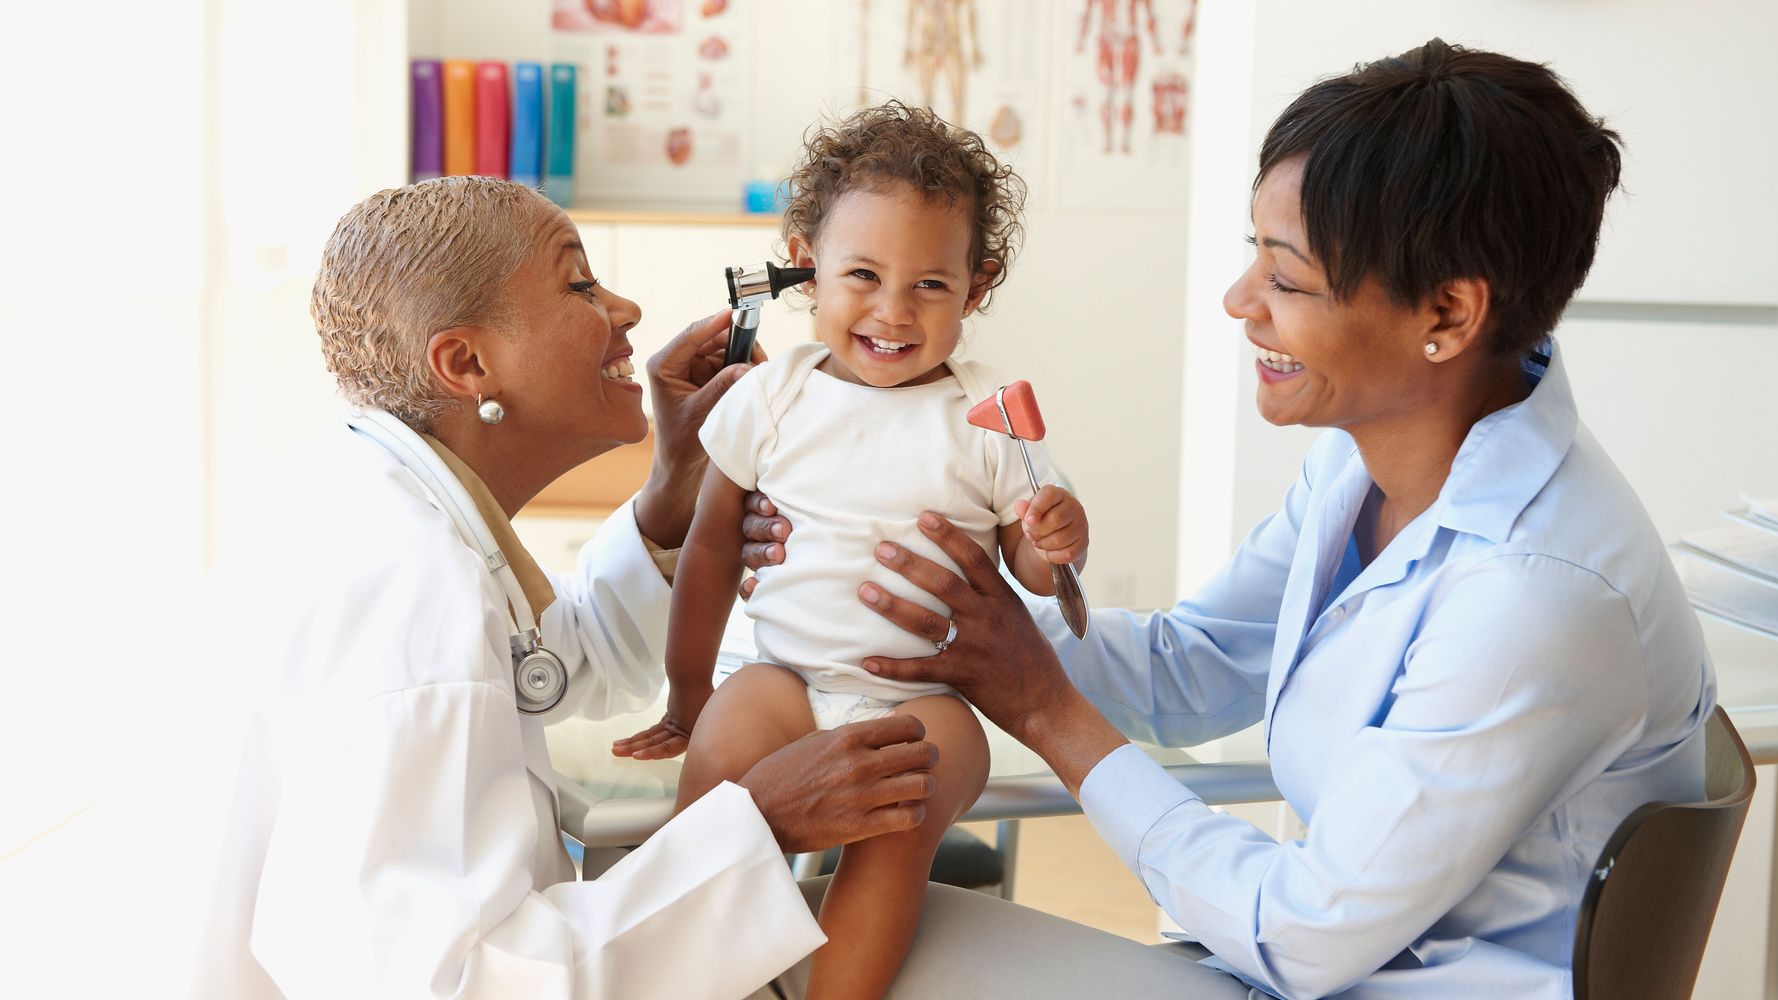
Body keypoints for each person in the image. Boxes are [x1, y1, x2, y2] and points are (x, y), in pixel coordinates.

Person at [747, 40, 1716, 998]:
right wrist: (935, 628)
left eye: (1286, 280)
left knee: (794, 952)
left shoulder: (1533, 595)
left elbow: (1298, 934)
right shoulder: (1365, 461)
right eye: (1253, 255)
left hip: (1331, 972)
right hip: (1304, 967)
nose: (1236, 302)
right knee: (804, 932)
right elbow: (1196, 665)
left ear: (1448, 315)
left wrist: (1046, 708)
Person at [184, 175, 940, 1000]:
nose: (626, 311)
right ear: (468, 362)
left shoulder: (372, 494)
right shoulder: (410, 589)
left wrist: (670, 498)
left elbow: (538, 669)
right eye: (579, 283)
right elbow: (456, 986)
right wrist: (760, 825)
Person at [614, 100, 1088, 999]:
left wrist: (1053, 538)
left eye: (932, 286)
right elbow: (713, 550)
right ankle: (696, 979)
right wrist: (686, 691)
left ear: (976, 286)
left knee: (900, 827)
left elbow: (1031, 569)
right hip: (784, 678)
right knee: (720, 761)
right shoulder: (772, 396)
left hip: (927, 699)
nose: (893, 312)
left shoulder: (987, 414)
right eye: (863, 274)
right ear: (807, 260)